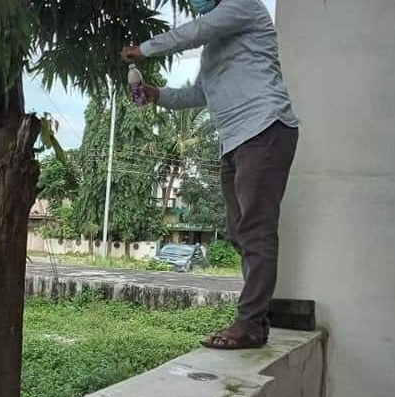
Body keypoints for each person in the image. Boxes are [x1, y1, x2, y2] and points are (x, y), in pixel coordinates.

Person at [121, 0, 299, 349]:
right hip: (234, 140)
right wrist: (157, 94)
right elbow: (200, 92)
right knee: (238, 231)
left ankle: (250, 322)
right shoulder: (213, 49)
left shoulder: (243, 6)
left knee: (256, 231)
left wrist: (144, 49)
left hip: (265, 128)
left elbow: (196, 31)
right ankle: (256, 321)